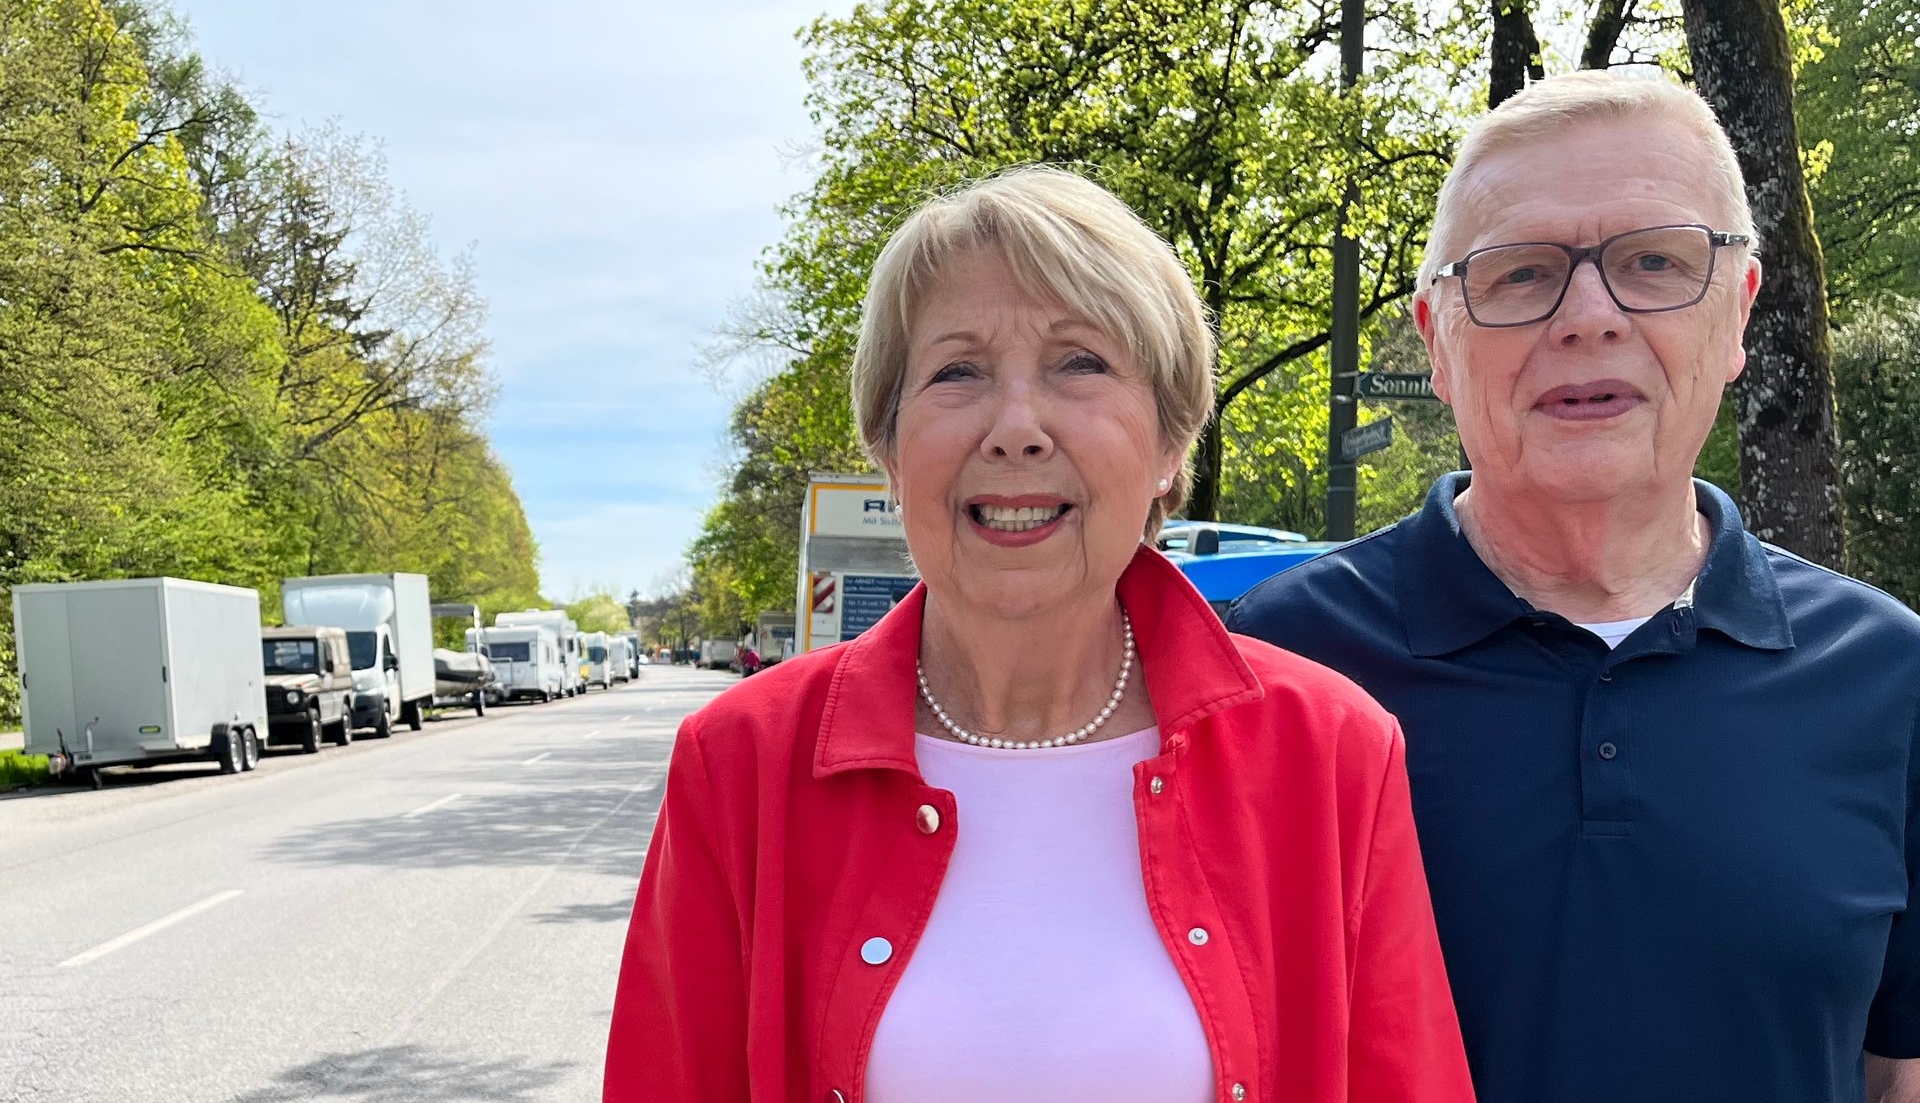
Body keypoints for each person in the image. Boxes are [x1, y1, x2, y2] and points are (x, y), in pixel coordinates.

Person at [1228, 70, 1920, 1103]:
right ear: (1434, 338)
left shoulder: (1881, 671)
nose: (1587, 316)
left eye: (1653, 261)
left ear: (1736, 313)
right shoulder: (1282, 664)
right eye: (1518, 274)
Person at [605, 167, 1475, 1102]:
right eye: (957, 371)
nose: (1016, 427)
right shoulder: (741, 764)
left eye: (1081, 363)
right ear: (889, 451)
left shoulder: (1331, 753)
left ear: (1171, 443)